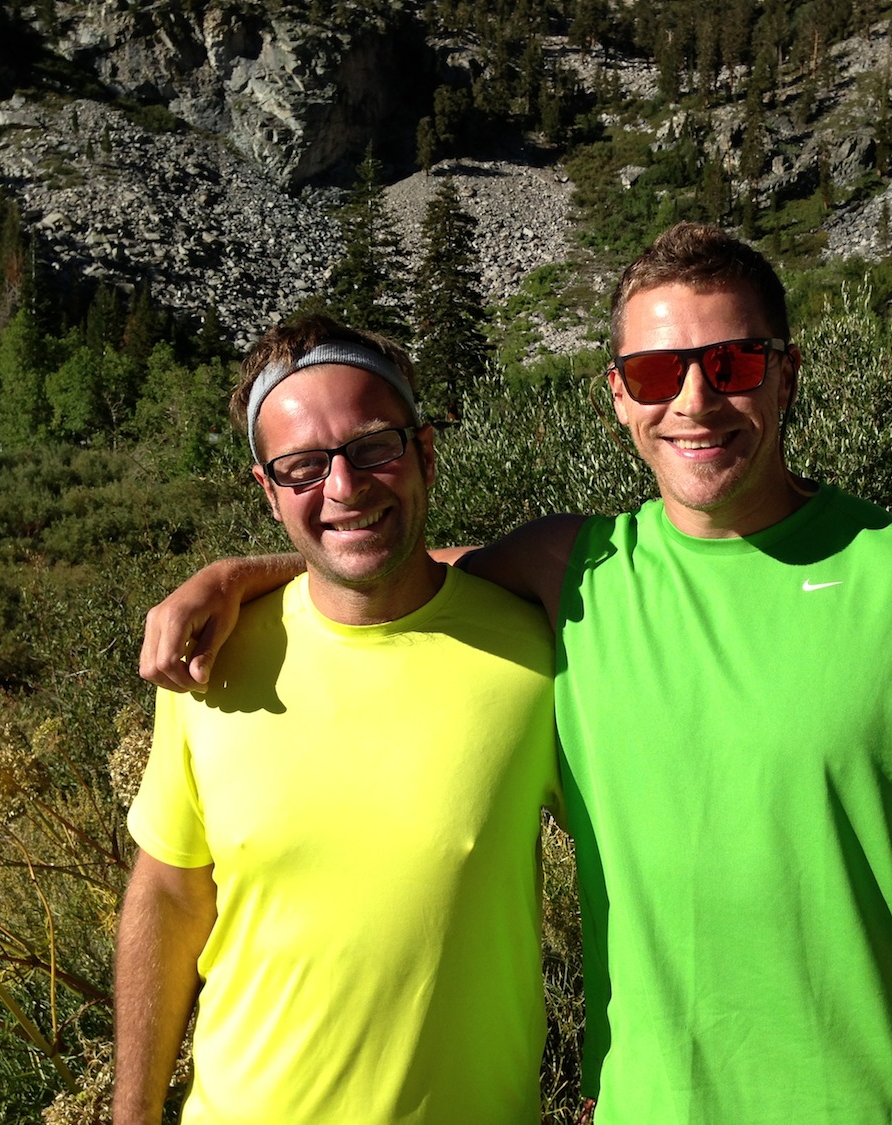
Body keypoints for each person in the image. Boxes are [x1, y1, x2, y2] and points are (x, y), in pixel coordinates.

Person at [140, 224, 892, 1124]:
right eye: (656, 371)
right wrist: (233, 577)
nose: (694, 400)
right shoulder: (574, 573)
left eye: (731, 362)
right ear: (618, 397)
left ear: (786, 377)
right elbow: (380, 564)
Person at [114, 314, 560, 1124]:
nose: (344, 486)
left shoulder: (536, 655)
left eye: (373, 447)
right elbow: (171, 894)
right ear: (268, 489)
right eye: (304, 466)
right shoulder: (209, 660)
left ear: (426, 452)